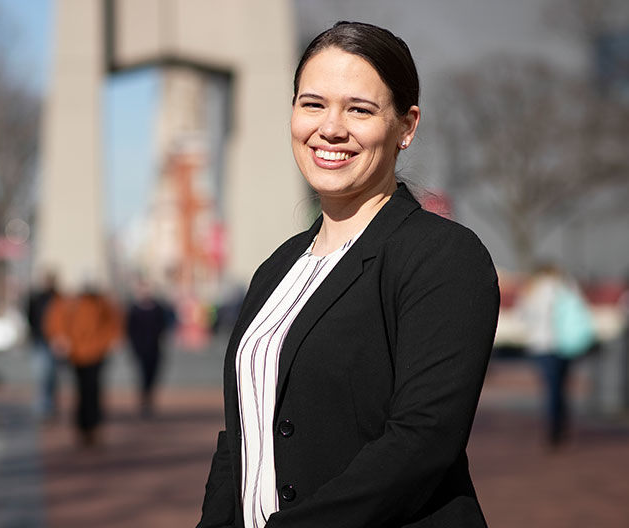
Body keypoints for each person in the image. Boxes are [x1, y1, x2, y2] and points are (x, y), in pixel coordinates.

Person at [197, 22, 500, 528]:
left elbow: (422, 440)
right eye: (312, 104)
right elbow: (241, 433)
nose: (330, 128)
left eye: (359, 109)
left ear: (406, 126)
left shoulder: (443, 257)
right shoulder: (276, 270)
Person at [517, 263, 593, 448]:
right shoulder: (567, 285)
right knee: (560, 386)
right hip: (565, 344)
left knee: (551, 388)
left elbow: (523, 316)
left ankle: (554, 429)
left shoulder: (532, 289)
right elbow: (581, 310)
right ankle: (561, 422)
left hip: (542, 345)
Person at [44, 283, 122, 447]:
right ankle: (83, 427)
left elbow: (113, 320)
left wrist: (111, 340)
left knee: (94, 389)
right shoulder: (68, 299)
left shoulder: (100, 300)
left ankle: (94, 426)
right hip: (76, 352)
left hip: (97, 351)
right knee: (82, 390)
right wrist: (60, 338)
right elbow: (56, 320)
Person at [125, 276, 174, 418]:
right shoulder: (134, 309)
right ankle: (144, 400)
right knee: (142, 375)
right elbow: (130, 330)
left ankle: (149, 399)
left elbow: (163, 325)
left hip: (155, 348)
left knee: (153, 375)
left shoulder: (158, 308)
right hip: (140, 349)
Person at [26, 271, 61, 419]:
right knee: (42, 374)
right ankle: (44, 405)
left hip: (55, 341)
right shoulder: (37, 298)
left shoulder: (58, 298)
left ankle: (50, 404)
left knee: (52, 375)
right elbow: (30, 316)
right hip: (40, 340)